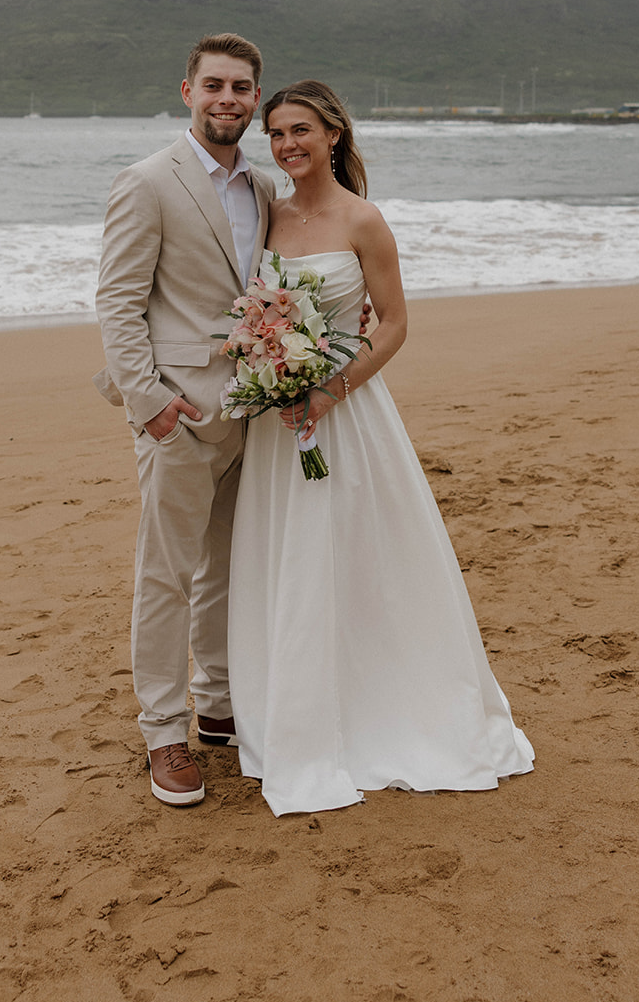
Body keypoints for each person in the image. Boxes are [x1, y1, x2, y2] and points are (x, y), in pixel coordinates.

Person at [227, 80, 535, 816]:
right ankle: (292, 713)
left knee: (363, 560)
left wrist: (327, 391)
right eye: (274, 135)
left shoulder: (363, 220)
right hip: (278, 426)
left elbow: (393, 323)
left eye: (299, 130)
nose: (286, 145)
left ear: (333, 134)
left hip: (344, 413)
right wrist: (269, 367)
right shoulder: (266, 214)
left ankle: (383, 706)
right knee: (291, 559)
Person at [94, 32, 275, 806]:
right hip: (178, 413)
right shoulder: (147, 182)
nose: (226, 99)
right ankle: (164, 733)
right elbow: (118, 300)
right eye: (214, 86)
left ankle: (218, 703)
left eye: (240, 87)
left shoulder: (265, 190)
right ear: (187, 92)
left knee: (228, 568)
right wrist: (150, 404)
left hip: (252, 411)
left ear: (254, 99)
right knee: (166, 574)